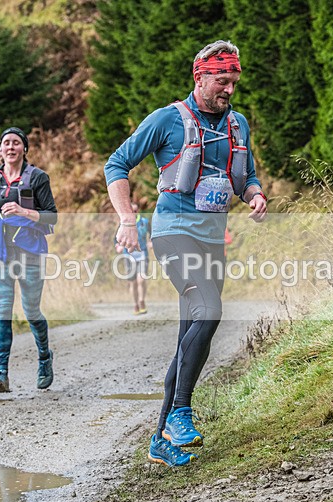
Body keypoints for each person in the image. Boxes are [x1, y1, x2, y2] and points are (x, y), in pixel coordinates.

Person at [105, 40, 267, 467]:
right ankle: (180, 413)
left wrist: (255, 195)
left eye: (233, 81)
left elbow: (246, 176)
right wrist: (125, 218)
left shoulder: (238, 124)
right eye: (221, 80)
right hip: (173, 232)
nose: (228, 89)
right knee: (209, 311)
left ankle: (161, 440)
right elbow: (116, 165)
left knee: (190, 335)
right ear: (199, 77)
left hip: (213, 238)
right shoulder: (167, 120)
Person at [0, 127, 57, 393]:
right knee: (4, 309)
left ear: (24, 149)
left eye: (16, 143)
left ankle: (44, 358)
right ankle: (1, 373)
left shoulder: (38, 177)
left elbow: (52, 216)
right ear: (0, 150)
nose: (10, 147)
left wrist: (23, 211)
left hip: (29, 252)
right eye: (6, 143)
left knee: (30, 311)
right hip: (0, 253)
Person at [114, 202, 151, 315]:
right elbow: (116, 239)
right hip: (128, 256)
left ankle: (142, 301)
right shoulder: (123, 223)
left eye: (135, 211)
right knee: (133, 282)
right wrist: (118, 246)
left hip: (142, 254)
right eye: (131, 211)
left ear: (137, 211)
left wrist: (151, 242)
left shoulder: (144, 222)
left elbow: (152, 234)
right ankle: (135, 304)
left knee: (142, 280)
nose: (133, 213)